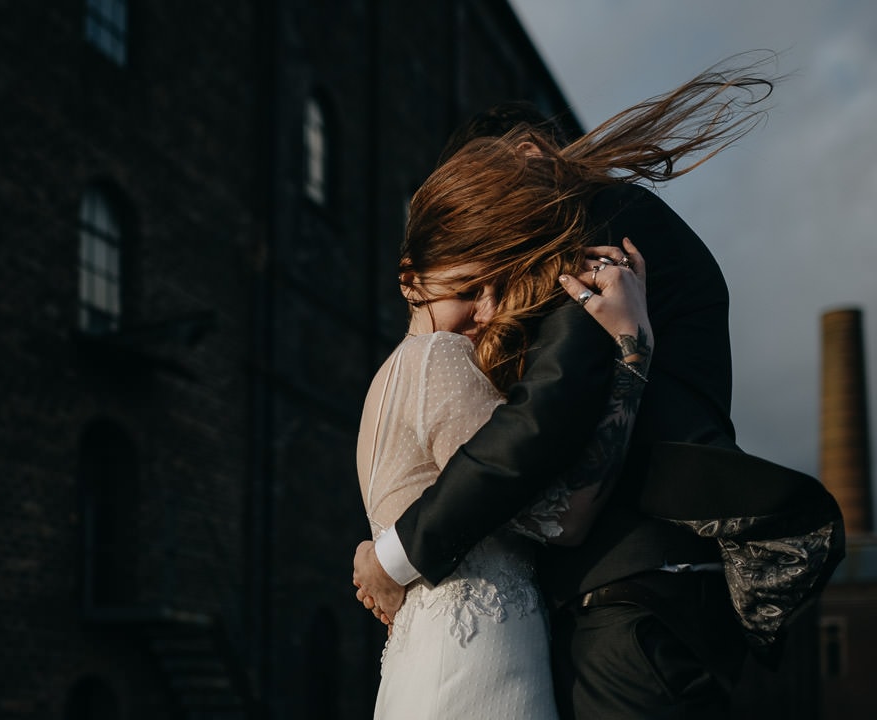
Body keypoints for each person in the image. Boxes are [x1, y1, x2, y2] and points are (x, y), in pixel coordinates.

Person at [352, 54, 838, 719]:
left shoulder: (597, 226)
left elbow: (544, 415)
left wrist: (394, 556)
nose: (502, 241)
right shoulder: (440, 351)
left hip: (636, 595)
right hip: (622, 603)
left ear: (528, 156)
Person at [359, 236, 652, 718]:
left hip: (431, 663)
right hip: (473, 664)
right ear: (411, 282)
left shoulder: (389, 375)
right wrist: (632, 351)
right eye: (470, 290)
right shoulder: (440, 356)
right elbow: (565, 518)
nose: (488, 312)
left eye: (499, 290)